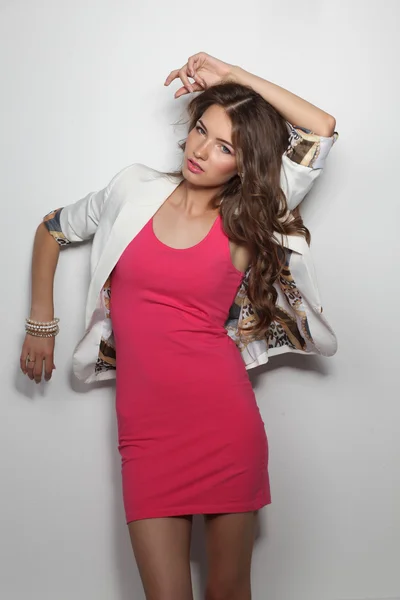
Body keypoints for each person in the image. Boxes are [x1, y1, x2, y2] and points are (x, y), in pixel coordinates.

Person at [20, 52, 338, 600]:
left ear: (243, 163)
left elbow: (321, 128)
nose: (200, 150)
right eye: (200, 129)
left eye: (224, 146)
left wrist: (233, 75)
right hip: (144, 431)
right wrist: (40, 322)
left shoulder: (248, 217)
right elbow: (52, 229)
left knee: (228, 591)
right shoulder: (132, 191)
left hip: (223, 423)